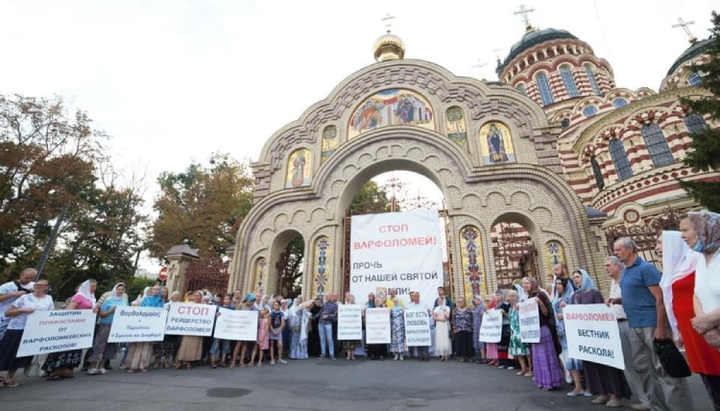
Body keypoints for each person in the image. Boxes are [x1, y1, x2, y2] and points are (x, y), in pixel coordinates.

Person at [614, 237, 694, 411]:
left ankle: (680, 407)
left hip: (651, 325)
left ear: (630, 249)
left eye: (618, 249)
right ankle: (656, 406)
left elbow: (660, 298)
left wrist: (660, 327)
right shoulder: (626, 271)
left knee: (665, 369)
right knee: (643, 369)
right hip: (634, 326)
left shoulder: (646, 269)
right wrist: (618, 300)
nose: (615, 252)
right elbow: (637, 294)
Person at [571, 269, 632, 407]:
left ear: (585, 278)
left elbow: (600, 311)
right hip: (585, 336)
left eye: (578, 277)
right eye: (573, 278)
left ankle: (616, 395)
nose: (575, 280)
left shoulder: (594, 293)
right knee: (592, 366)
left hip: (599, 336)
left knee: (607, 365)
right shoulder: (575, 295)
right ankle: (601, 393)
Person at [682, 211, 720, 408]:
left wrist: (709, 320)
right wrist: (707, 327)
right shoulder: (702, 261)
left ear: (706, 230)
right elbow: (697, 294)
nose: (682, 235)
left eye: (687, 229)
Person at [605, 256, 651, 410]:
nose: (606, 268)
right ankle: (644, 399)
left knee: (641, 362)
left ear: (619, 266)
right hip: (618, 324)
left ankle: (652, 399)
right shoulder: (612, 282)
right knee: (630, 365)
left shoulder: (626, 280)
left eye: (609, 266)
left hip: (630, 322)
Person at [0, 279, 53, 387]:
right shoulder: (24, 298)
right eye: (36, 285)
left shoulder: (49, 299)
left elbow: (50, 314)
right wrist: (22, 310)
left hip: (32, 331)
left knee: (19, 356)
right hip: (16, 328)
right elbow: (8, 312)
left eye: (41, 285)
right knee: (5, 352)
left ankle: (9, 378)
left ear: (46, 287)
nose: (38, 286)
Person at [44, 279, 98, 380]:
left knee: (75, 347)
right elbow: (69, 310)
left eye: (95, 286)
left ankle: (68, 368)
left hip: (82, 326)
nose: (94, 288)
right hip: (72, 325)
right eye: (92, 286)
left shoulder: (91, 298)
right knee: (64, 347)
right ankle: (56, 369)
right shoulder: (79, 296)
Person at [522, 277, 563, 391]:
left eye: (527, 283)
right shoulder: (529, 297)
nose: (525, 285)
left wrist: (540, 304)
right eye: (523, 283)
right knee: (538, 358)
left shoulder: (540, 295)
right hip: (534, 331)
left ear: (533, 283)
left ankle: (551, 381)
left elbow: (546, 313)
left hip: (543, 329)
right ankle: (541, 381)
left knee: (546, 357)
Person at [553, 277, 585, 397]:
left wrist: (565, 314)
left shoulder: (572, 296)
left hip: (572, 330)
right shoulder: (557, 298)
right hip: (562, 332)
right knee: (569, 359)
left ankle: (583, 386)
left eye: (560, 283)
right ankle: (578, 386)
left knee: (577, 358)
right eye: (556, 284)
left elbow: (578, 313)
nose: (558, 286)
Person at [87, 282, 127, 375]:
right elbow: (101, 314)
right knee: (99, 345)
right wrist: (111, 311)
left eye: (122, 290)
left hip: (117, 326)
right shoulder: (108, 300)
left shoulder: (124, 301)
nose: (120, 291)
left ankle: (101, 366)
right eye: (119, 289)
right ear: (115, 290)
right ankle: (93, 366)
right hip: (106, 324)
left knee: (110, 346)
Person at [126, 284, 163, 373]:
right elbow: (141, 310)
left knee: (147, 346)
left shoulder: (160, 302)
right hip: (142, 324)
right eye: (154, 289)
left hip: (151, 326)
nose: (156, 291)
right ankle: (132, 365)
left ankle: (142, 365)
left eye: (158, 290)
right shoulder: (146, 299)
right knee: (137, 345)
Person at [0, 268, 36, 339]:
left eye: (31, 278)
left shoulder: (33, 286)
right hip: (4, 316)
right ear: (21, 275)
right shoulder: (7, 286)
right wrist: (13, 294)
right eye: (27, 278)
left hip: (19, 321)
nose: (28, 280)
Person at [175, 290, 205, 370]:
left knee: (193, 346)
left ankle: (188, 361)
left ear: (201, 297)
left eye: (198, 295)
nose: (196, 297)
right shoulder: (189, 305)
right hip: (188, 329)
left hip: (197, 329)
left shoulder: (204, 306)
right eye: (195, 295)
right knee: (184, 345)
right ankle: (180, 361)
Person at [154, 290, 181, 369]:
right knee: (160, 345)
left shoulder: (181, 306)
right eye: (174, 296)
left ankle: (166, 361)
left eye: (177, 296)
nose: (175, 297)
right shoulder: (166, 305)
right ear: (171, 297)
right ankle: (157, 361)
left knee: (170, 345)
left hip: (173, 329)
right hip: (164, 327)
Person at [508, 290, 532, 377]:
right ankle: (523, 369)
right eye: (510, 296)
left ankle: (531, 368)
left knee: (526, 351)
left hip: (521, 331)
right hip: (514, 332)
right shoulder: (511, 308)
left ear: (516, 296)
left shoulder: (520, 304)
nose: (511, 298)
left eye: (512, 296)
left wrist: (521, 308)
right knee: (518, 352)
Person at [230, 294, 257, 368]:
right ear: (248, 300)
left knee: (244, 344)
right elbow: (235, 314)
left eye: (253, 302)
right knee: (238, 343)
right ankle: (233, 361)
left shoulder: (252, 307)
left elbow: (257, 313)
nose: (252, 303)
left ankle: (242, 361)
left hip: (247, 328)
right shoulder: (241, 305)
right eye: (251, 301)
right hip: (240, 327)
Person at [210, 295, 233, 368]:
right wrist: (216, 316)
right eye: (225, 299)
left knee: (226, 345)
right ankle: (213, 361)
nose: (226, 300)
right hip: (219, 330)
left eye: (228, 299)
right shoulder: (218, 308)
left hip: (227, 330)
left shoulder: (232, 309)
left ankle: (222, 361)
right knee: (215, 345)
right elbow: (212, 318)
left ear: (230, 300)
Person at [407, 291, 431, 361]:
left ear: (418, 296)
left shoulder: (424, 304)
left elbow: (428, 314)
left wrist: (428, 311)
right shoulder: (411, 306)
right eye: (413, 296)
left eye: (415, 296)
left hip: (423, 326)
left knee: (425, 341)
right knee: (418, 342)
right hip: (416, 327)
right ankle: (421, 356)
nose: (413, 297)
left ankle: (426, 356)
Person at [495, 289, 513, 369]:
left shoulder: (507, 304)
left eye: (499, 295)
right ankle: (502, 361)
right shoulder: (497, 305)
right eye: (496, 295)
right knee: (501, 345)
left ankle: (510, 363)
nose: (497, 297)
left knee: (507, 344)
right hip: (499, 327)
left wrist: (504, 313)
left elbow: (510, 314)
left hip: (506, 326)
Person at [452, 297, 473, 362]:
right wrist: (454, 328)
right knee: (461, 343)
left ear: (464, 302)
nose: (460, 303)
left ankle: (470, 357)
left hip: (467, 328)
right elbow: (453, 320)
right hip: (459, 329)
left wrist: (472, 326)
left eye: (462, 301)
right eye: (459, 301)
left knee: (468, 343)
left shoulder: (469, 310)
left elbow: (472, 319)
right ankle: (463, 357)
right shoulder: (455, 310)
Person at [318, 294, 337, 360]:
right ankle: (323, 353)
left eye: (327, 297)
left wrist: (328, 316)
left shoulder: (334, 304)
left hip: (328, 323)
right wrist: (313, 317)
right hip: (321, 323)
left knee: (329, 339)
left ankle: (332, 354)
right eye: (326, 297)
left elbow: (335, 315)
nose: (326, 298)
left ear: (331, 297)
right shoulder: (324, 304)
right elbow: (320, 312)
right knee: (322, 339)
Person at [343, 294, 361, 360]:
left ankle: (353, 355)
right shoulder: (345, 306)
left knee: (354, 342)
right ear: (348, 299)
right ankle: (348, 355)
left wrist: (362, 310)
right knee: (348, 342)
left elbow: (359, 314)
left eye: (353, 298)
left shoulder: (356, 306)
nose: (351, 299)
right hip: (347, 327)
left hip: (354, 327)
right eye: (350, 298)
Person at [433, 296, 451, 361]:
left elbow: (448, 316)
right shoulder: (436, 308)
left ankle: (446, 355)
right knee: (440, 339)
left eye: (441, 300)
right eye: (439, 300)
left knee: (445, 338)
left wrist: (443, 309)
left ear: (444, 301)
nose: (440, 301)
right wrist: (440, 319)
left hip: (445, 325)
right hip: (439, 324)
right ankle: (442, 356)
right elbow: (434, 317)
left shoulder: (447, 307)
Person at [269, 300, 286, 365]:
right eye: (275, 305)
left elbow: (282, 323)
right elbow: (269, 323)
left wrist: (279, 330)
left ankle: (279, 358)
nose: (275, 306)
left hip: (278, 329)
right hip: (272, 330)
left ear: (279, 306)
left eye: (277, 305)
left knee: (280, 344)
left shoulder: (281, 313)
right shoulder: (271, 313)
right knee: (271, 344)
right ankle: (272, 359)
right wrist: (272, 330)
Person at [484, 294, 499, 366]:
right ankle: (492, 358)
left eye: (489, 298)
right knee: (489, 344)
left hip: (494, 329)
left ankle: (497, 358)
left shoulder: (496, 308)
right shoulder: (487, 308)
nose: (488, 301)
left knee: (494, 344)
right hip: (489, 329)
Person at [471, 295, 486, 364]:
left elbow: (483, 315)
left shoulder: (482, 307)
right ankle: (478, 356)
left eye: (477, 299)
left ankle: (483, 357)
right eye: (475, 299)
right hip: (476, 326)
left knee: (481, 341)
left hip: (480, 325)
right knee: (476, 340)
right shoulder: (475, 308)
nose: (475, 300)